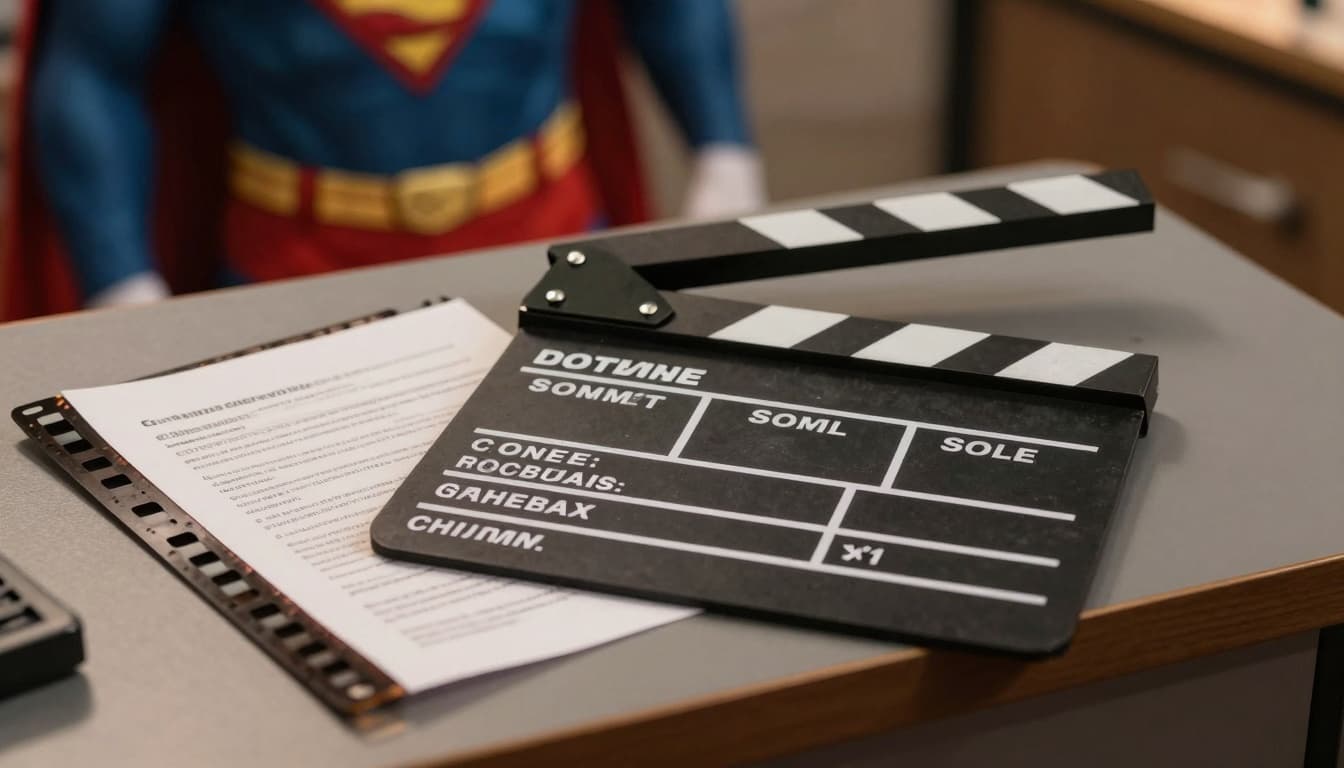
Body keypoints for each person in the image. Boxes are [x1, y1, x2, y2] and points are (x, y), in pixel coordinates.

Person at [4, 0, 763, 318]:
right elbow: (94, 70)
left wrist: (724, 151)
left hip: (549, 237)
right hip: (298, 267)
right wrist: (122, 286)